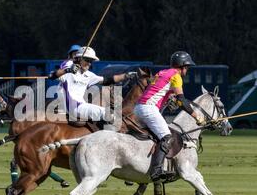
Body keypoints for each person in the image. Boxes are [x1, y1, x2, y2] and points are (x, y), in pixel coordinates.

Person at [134, 51, 206, 183]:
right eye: (187, 67)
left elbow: (160, 91)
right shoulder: (176, 76)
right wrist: (197, 117)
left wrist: (170, 97)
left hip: (139, 107)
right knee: (167, 137)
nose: (187, 70)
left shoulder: (162, 73)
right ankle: (156, 171)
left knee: (154, 136)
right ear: (182, 66)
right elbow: (182, 101)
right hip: (149, 108)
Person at [49, 46, 136, 122]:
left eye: (91, 61)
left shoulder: (89, 75)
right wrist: (68, 70)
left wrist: (126, 75)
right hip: (73, 107)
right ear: (79, 59)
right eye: (87, 60)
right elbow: (51, 75)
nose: (89, 63)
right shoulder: (68, 71)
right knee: (109, 114)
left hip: (82, 106)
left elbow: (107, 80)